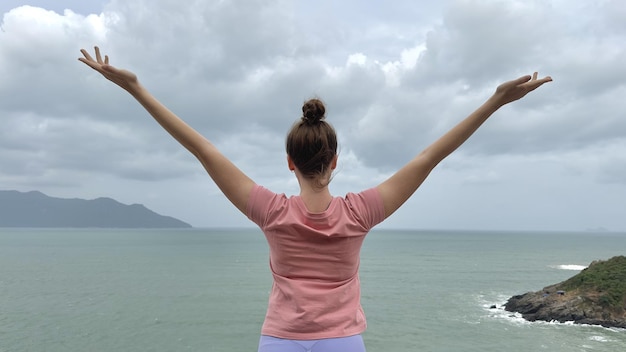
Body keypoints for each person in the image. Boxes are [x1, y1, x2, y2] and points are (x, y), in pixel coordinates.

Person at [79, 46, 552, 352]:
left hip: (279, 340)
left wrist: (136, 88)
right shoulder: (360, 212)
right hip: (343, 342)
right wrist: (494, 102)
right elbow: (431, 156)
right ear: (335, 161)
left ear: (290, 162)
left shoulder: (271, 211)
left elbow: (201, 148)